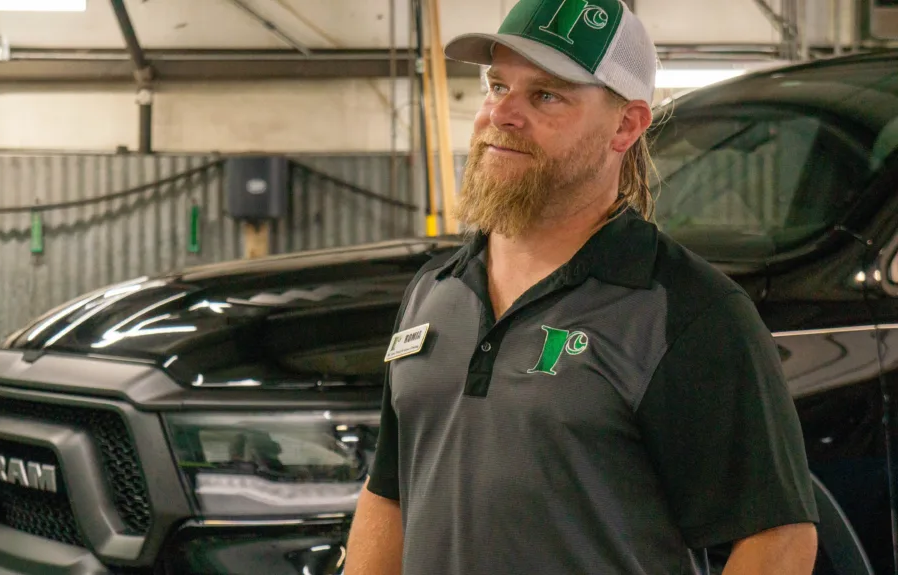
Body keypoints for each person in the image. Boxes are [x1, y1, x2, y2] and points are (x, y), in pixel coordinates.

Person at [344, 0, 820, 573]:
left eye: (545, 95)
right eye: (497, 86)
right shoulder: (434, 291)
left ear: (626, 125)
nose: (502, 114)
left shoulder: (686, 312)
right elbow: (388, 493)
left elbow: (779, 540)